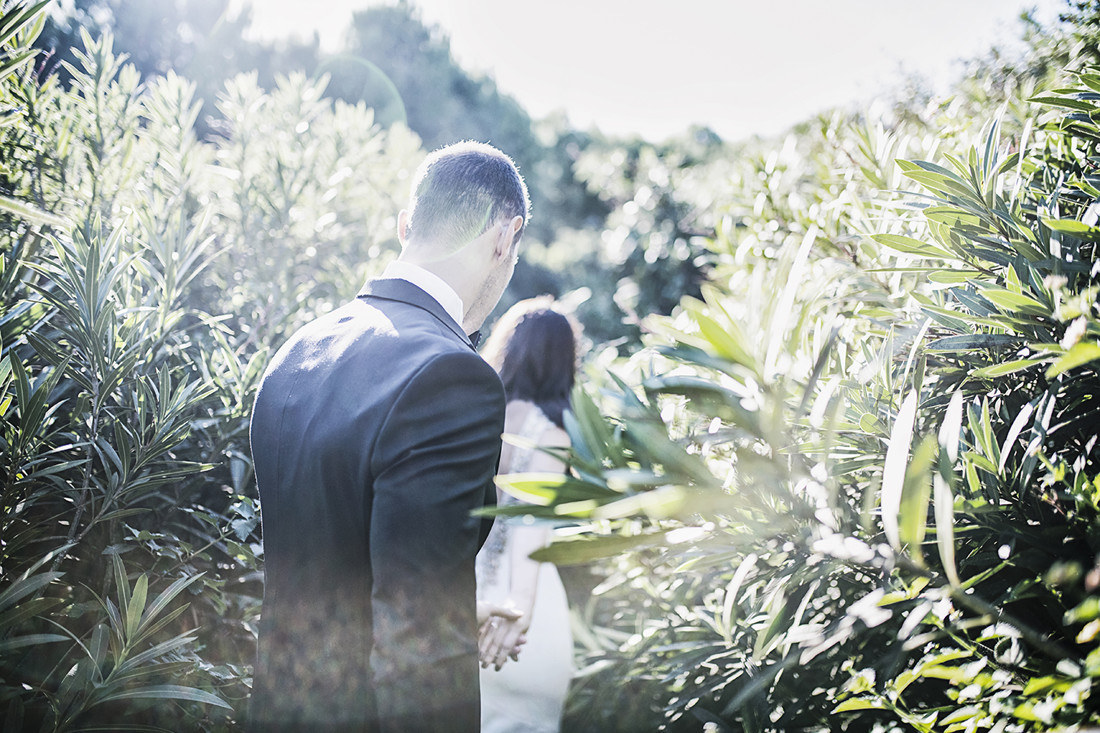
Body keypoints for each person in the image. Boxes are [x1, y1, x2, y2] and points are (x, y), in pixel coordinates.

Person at [248, 141, 531, 733]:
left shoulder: (299, 349)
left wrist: (457, 604)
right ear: (506, 237)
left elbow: (333, 557)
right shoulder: (451, 377)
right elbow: (420, 644)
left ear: (407, 225)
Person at [474, 297, 579, 733]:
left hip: (464, 605)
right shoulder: (552, 436)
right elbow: (528, 528)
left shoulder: (473, 416)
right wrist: (520, 609)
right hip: (520, 621)